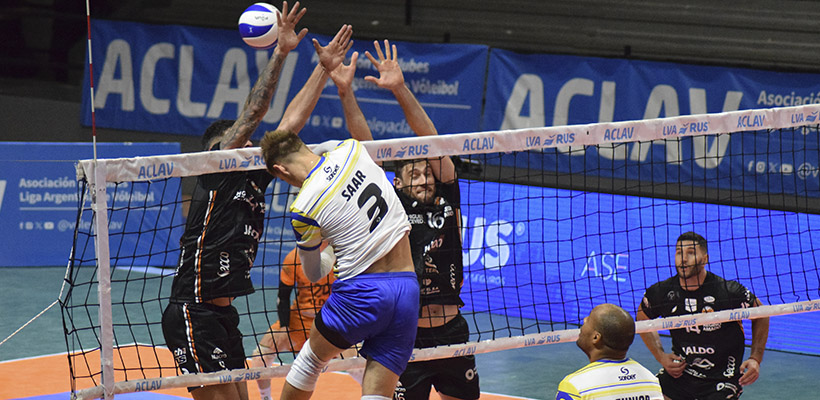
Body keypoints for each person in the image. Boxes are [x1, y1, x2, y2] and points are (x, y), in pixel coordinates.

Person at [160, 5, 354, 398]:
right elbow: (253, 113)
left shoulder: (254, 176)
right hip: (193, 310)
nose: (250, 146)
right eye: (241, 141)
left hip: (224, 314)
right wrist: (280, 53)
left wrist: (323, 68)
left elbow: (289, 126)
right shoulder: (215, 170)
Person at [323, 40, 478, 400]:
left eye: (427, 173)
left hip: (452, 332)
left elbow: (432, 140)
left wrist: (400, 88)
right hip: (404, 334)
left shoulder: (448, 197)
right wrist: (345, 91)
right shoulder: (392, 204)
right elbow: (364, 148)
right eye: (414, 174)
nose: (424, 179)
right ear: (397, 182)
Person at [260, 128, 419, 400]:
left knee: (310, 361)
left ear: (280, 170)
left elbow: (314, 273)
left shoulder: (303, 208)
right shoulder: (352, 149)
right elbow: (329, 145)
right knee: (378, 394)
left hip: (363, 294)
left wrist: (334, 248)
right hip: (407, 290)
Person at [636, 232, 770, 400]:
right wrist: (660, 356)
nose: (683, 259)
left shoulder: (727, 291)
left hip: (722, 379)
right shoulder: (662, 292)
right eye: (679, 252)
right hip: (681, 375)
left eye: (691, 252)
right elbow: (642, 319)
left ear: (705, 259)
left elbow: (762, 315)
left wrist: (755, 358)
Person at [250, 246, 335, 400]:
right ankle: (265, 398)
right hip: (298, 321)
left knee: (358, 360)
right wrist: (284, 327)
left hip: (329, 322)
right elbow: (283, 296)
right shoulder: (295, 256)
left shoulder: (341, 255)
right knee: (260, 357)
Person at [556, 303, 663, 400]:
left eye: (589, 319)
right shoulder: (651, 380)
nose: (584, 320)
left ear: (596, 337)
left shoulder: (575, 386)